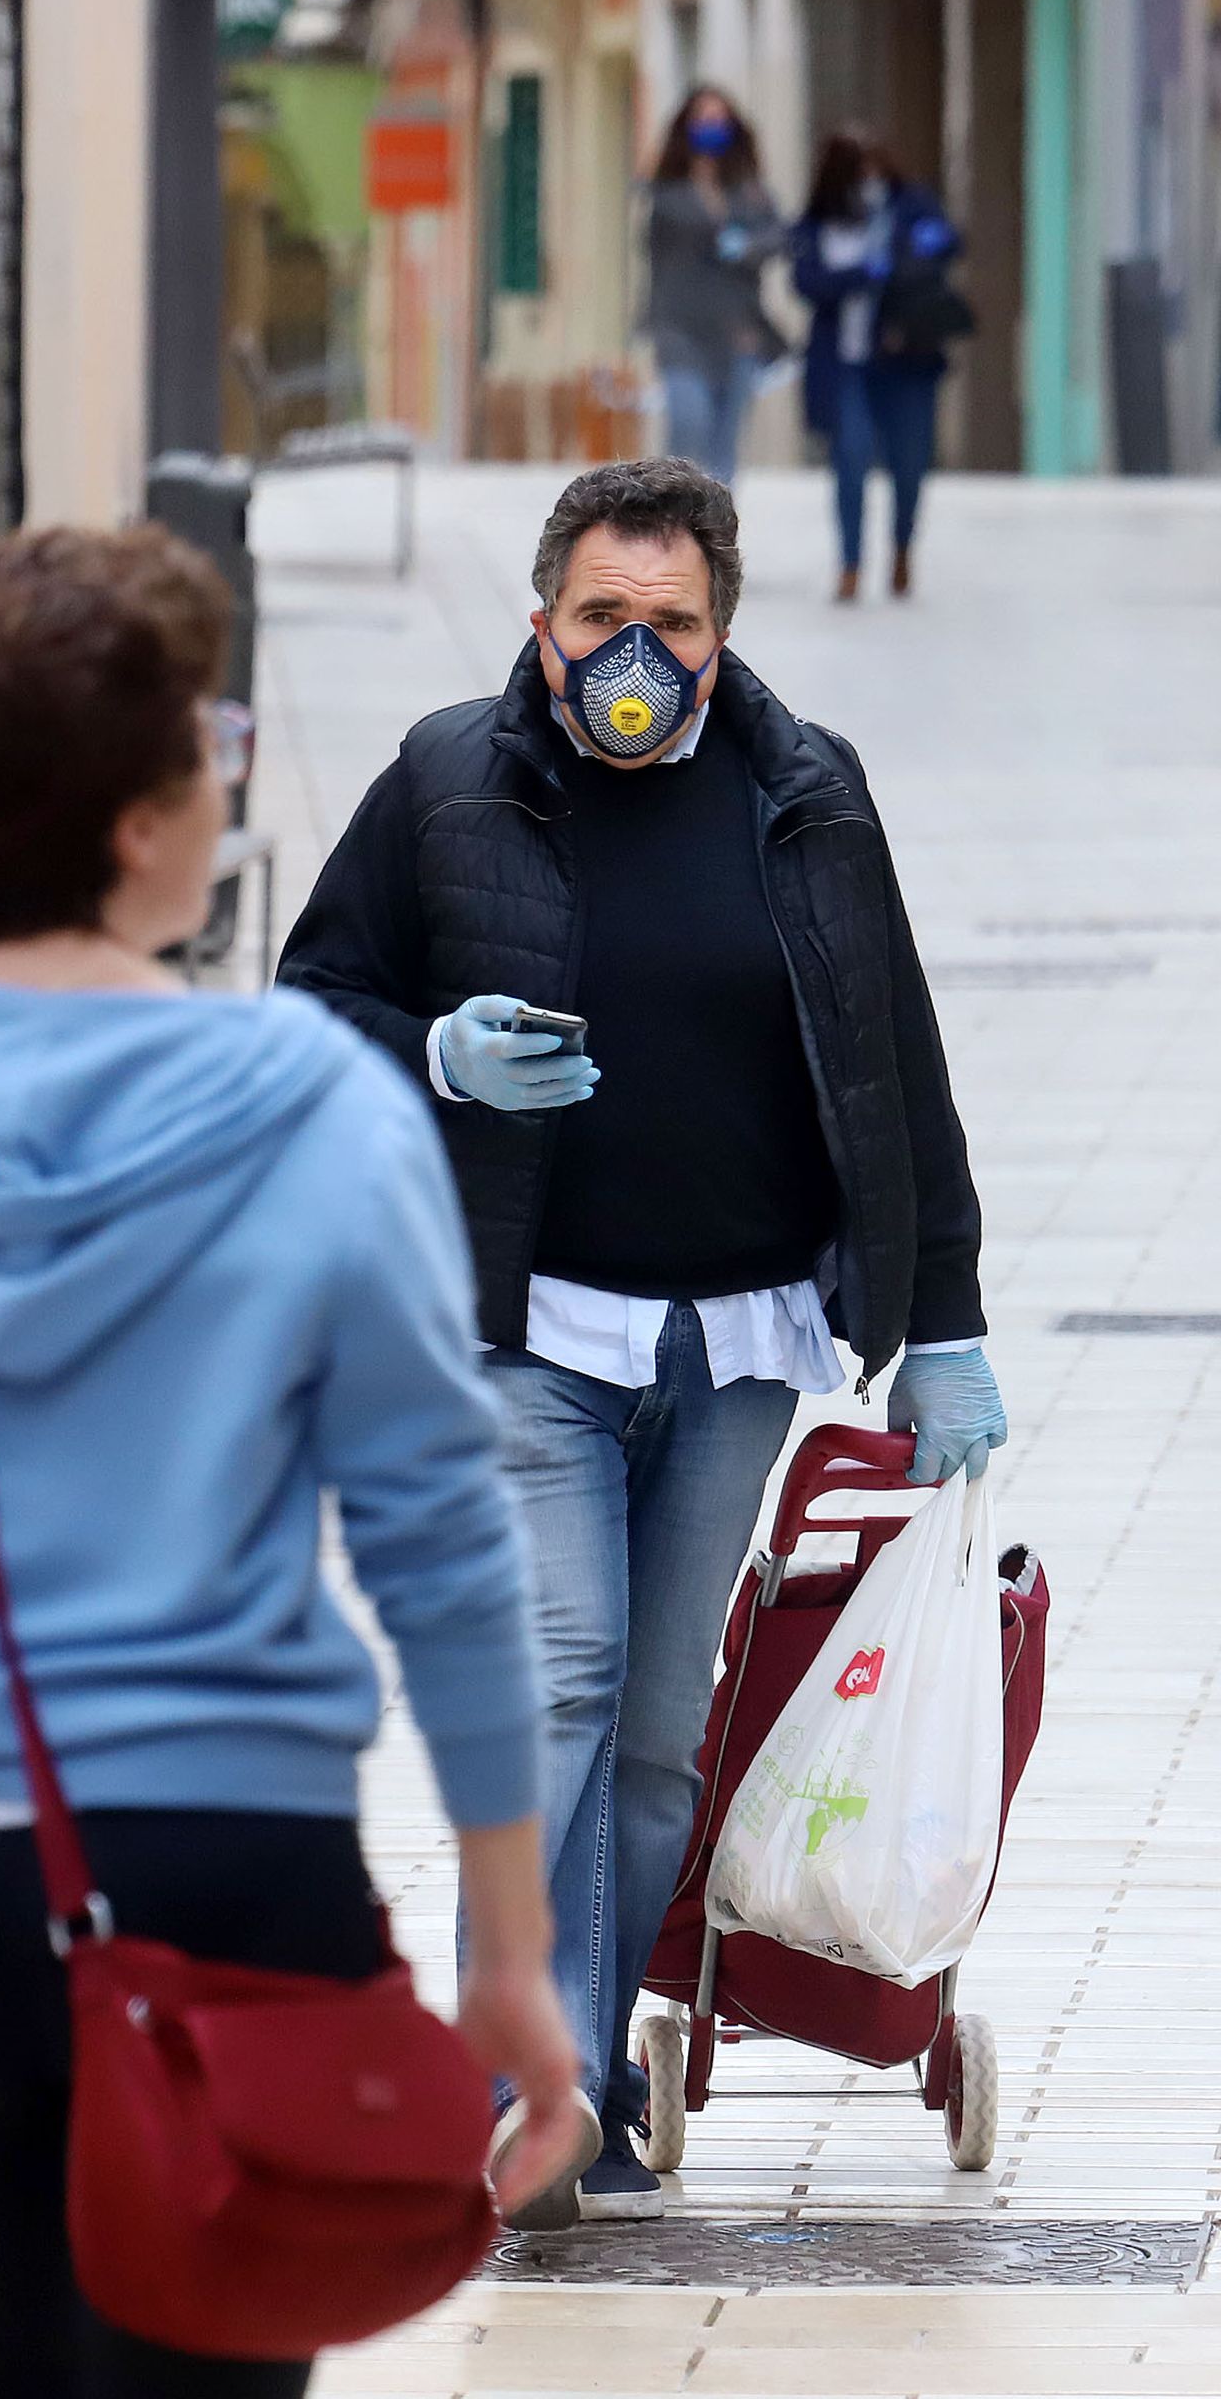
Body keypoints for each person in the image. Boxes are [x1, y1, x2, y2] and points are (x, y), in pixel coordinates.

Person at [0, 525, 584, 2398]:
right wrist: (517, 1952)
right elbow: (447, 1552)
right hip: (239, 1872)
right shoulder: (316, 1108)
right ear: (153, 824)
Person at [277, 457, 1007, 2227]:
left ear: (721, 632)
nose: (637, 652)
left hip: (739, 1342)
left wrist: (948, 1318)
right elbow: (311, 1006)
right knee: (559, 1677)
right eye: (604, 616)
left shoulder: (808, 794)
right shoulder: (448, 779)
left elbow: (893, 1064)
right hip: (521, 1329)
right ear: (544, 625)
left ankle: (585, 2069)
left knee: (665, 1732)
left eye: (671, 621)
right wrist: (439, 1050)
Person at [792, 132, 965, 601]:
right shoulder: (819, 224)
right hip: (847, 366)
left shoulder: (912, 208)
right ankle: (849, 564)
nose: (865, 181)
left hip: (907, 362)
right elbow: (806, 282)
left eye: (872, 168)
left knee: (910, 464)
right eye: (854, 170)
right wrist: (859, 275)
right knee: (850, 460)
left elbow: (948, 245)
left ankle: (903, 549)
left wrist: (903, 260)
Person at [645, 86, 788, 484]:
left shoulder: (750, 192)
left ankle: (715, 538)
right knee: (688, 423)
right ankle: (674, 523)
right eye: (702, 119)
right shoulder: (667, 193)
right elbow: (657, 264)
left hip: (736, 333)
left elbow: (779, 238)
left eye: (718, 120)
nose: (711, 128)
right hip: (681, 332)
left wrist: (746, 246)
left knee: (724, 445)